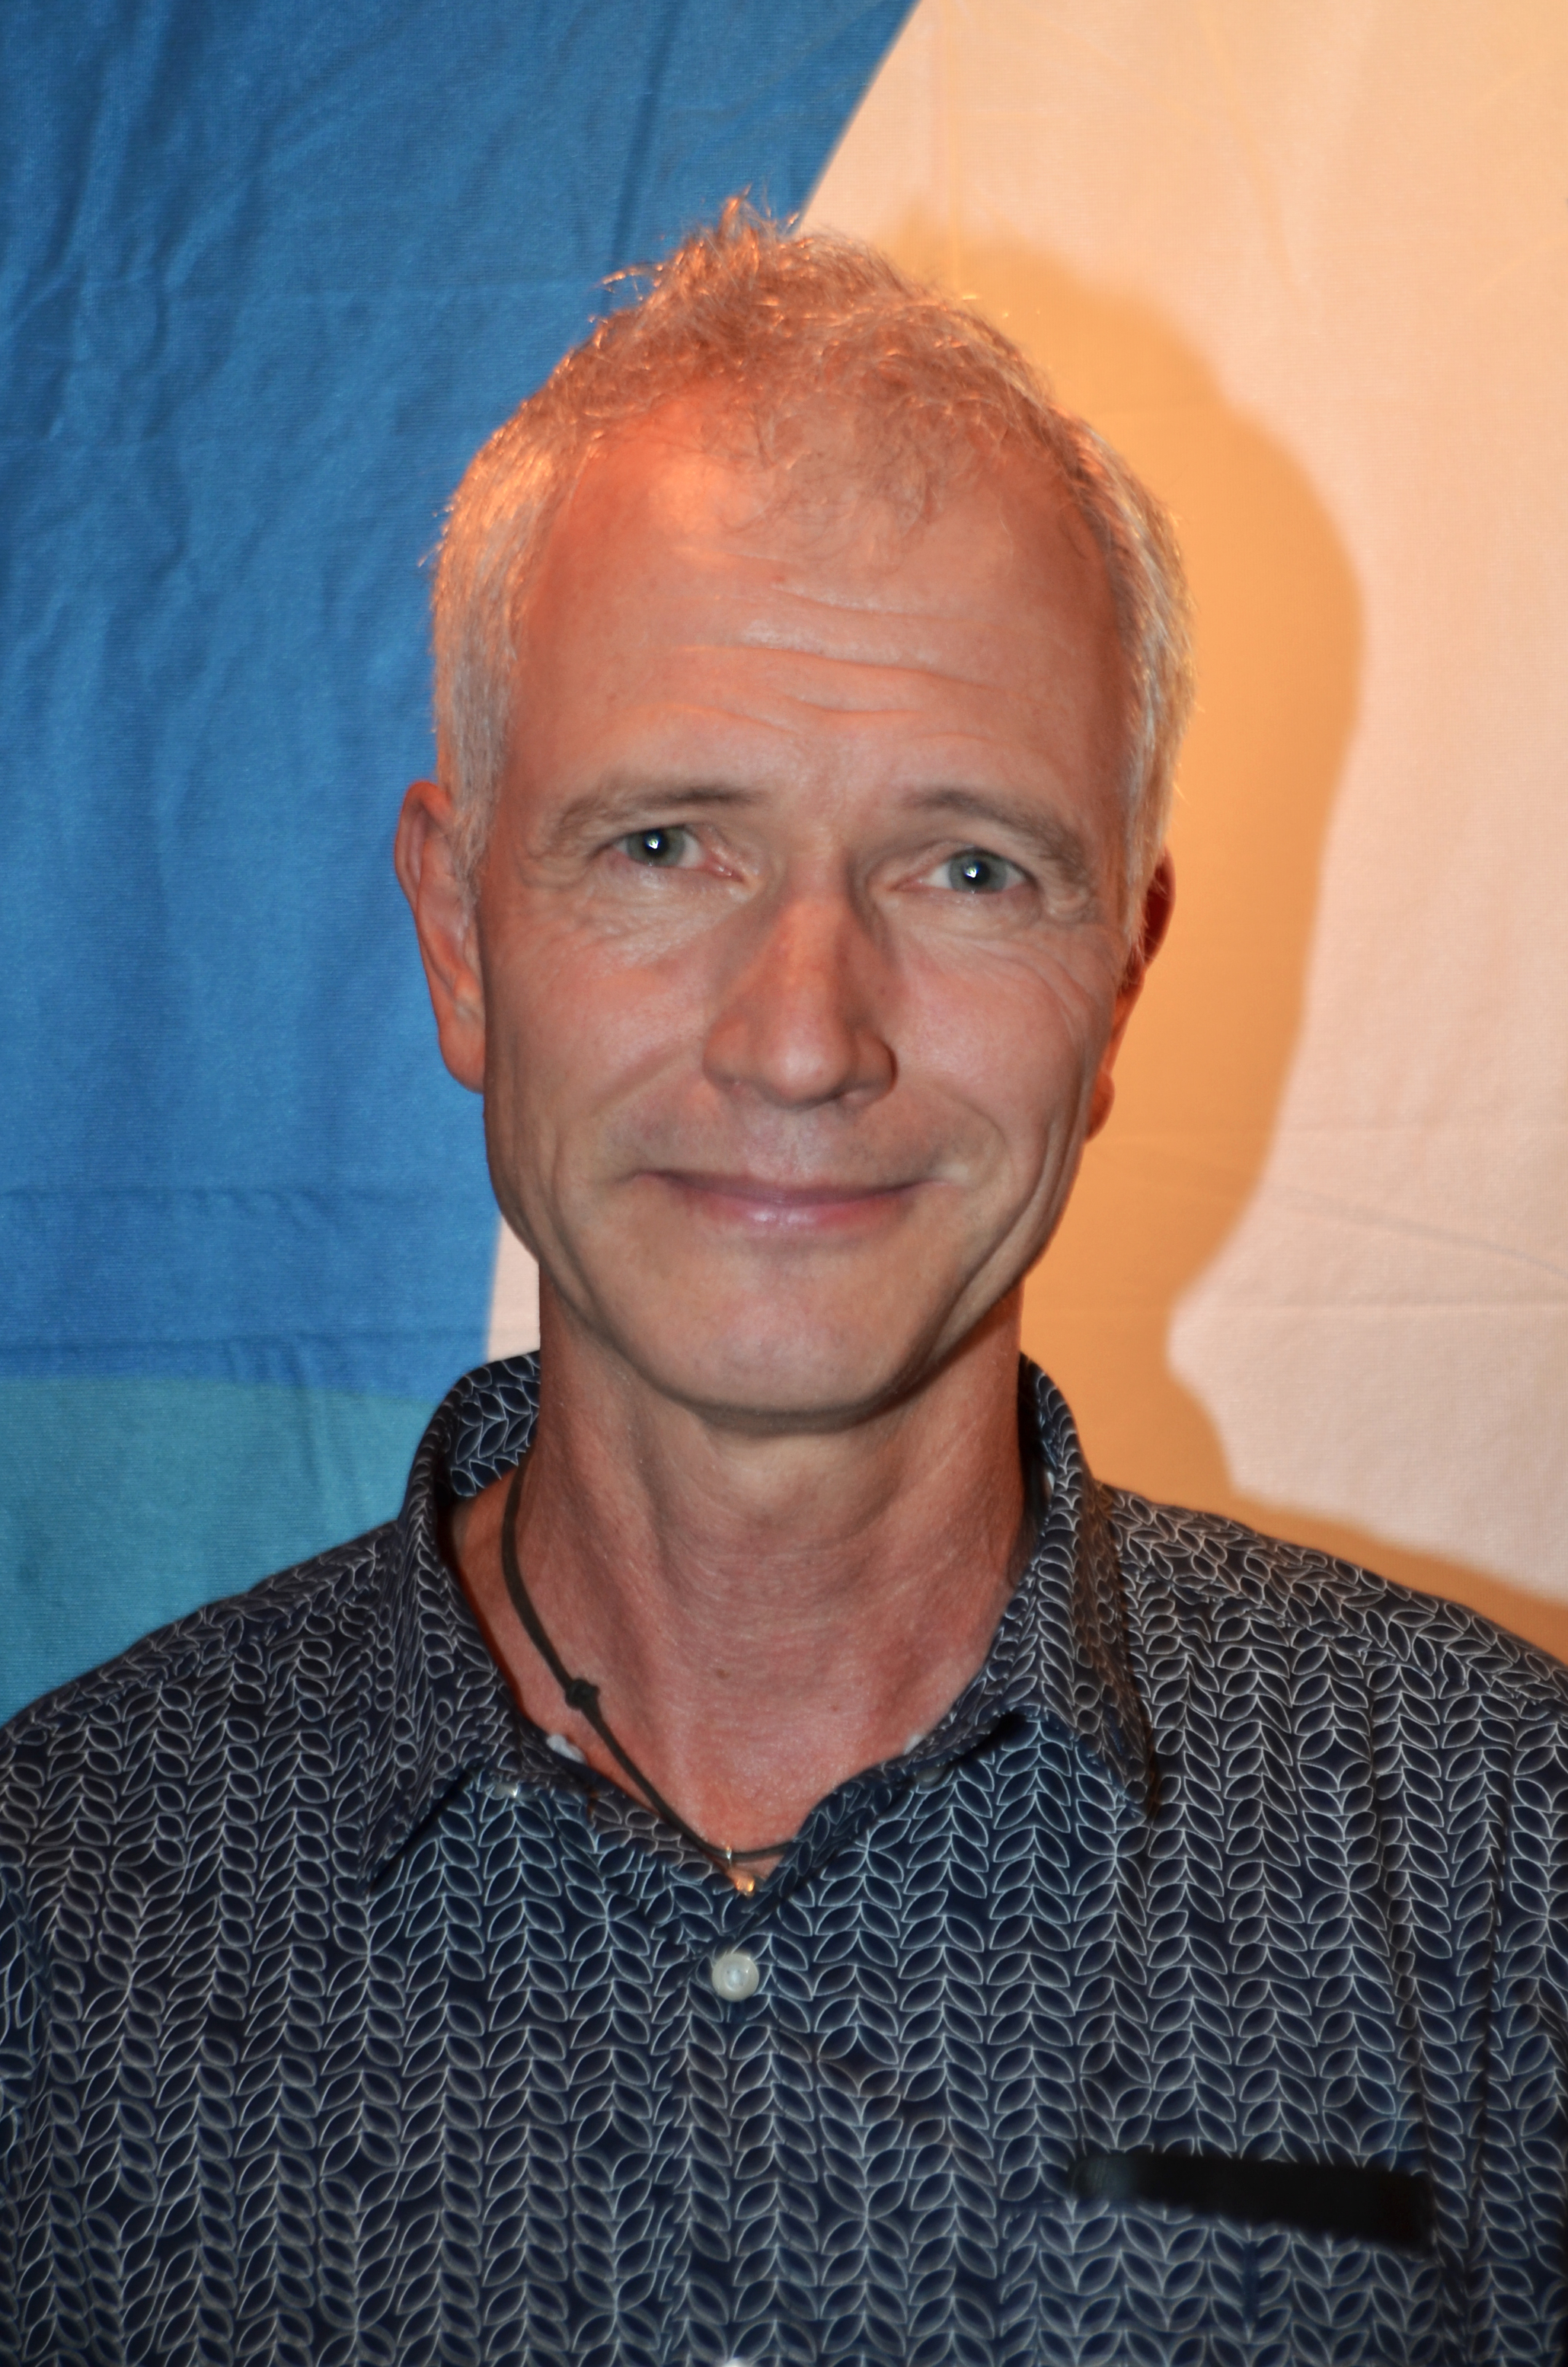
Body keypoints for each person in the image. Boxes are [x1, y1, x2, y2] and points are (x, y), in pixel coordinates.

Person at [2, 203, 1563, 2366]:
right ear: (458, 936)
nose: (806, 1035)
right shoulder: (56, 1917)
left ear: (1119, 982)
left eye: (969, 867)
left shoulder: (1502, 1861)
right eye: (666, 845)